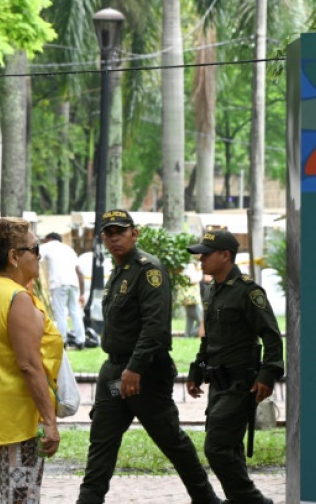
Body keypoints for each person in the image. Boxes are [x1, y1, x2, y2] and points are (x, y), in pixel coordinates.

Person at [78, 210, 221, 504]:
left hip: (144, 374)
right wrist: (122, 370)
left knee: (171, 440)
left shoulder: (148, 270)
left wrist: (135, 368)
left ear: (135, 233)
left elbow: (154, 326)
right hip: (115, 374)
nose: (114, 238)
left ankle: (206, 499)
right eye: (109, 233)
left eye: (120, 231)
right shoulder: (117, 271)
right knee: (101, 441)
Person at [0, 217, 63, 503]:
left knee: (3, 497)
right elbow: (29, 365)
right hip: (17, 418)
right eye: (34, 248)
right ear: (14, 257)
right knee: (21, 498)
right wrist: (50, 421)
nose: (39, 255)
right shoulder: (16, 298)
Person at [186, 229, 284, 504]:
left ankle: (252, 500)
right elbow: (210, 338)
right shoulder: (212, 290)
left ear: (225, 255)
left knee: (216, 447)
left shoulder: (248, 291)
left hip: (241, 384)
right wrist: (197, 370)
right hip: (218, 383)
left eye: (205, 255)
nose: (201, 260)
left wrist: (269, 373)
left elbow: (271, 335)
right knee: (230, 447)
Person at [39, 232, 87, 348]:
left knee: (60, 313)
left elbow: (36, 258)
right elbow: (79, 272)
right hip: (73, 283)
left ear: (49, 238)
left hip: (58, 283)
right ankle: (81, 341)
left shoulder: (47, 246)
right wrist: (82, 293)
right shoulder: (69, 250)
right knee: (75, 312)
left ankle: (63, 341)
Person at [182, 259, 204, 337]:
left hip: (188, 297)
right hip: (192, 297)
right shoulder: (190, 266)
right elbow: (193, 280)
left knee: (190, 318)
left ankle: (187, 335)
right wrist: (199, 273)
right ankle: (191, 334)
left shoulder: (192, 265)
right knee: (201, 320)